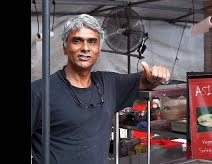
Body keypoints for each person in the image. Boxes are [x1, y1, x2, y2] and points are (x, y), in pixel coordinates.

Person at [31, 14, 171, 164]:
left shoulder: (109, 83)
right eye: (77, 41)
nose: (85, 48)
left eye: (92, 42)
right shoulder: (40, 92)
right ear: (65, 48)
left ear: (99, 50)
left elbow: (145, 80)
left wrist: (158, 74)